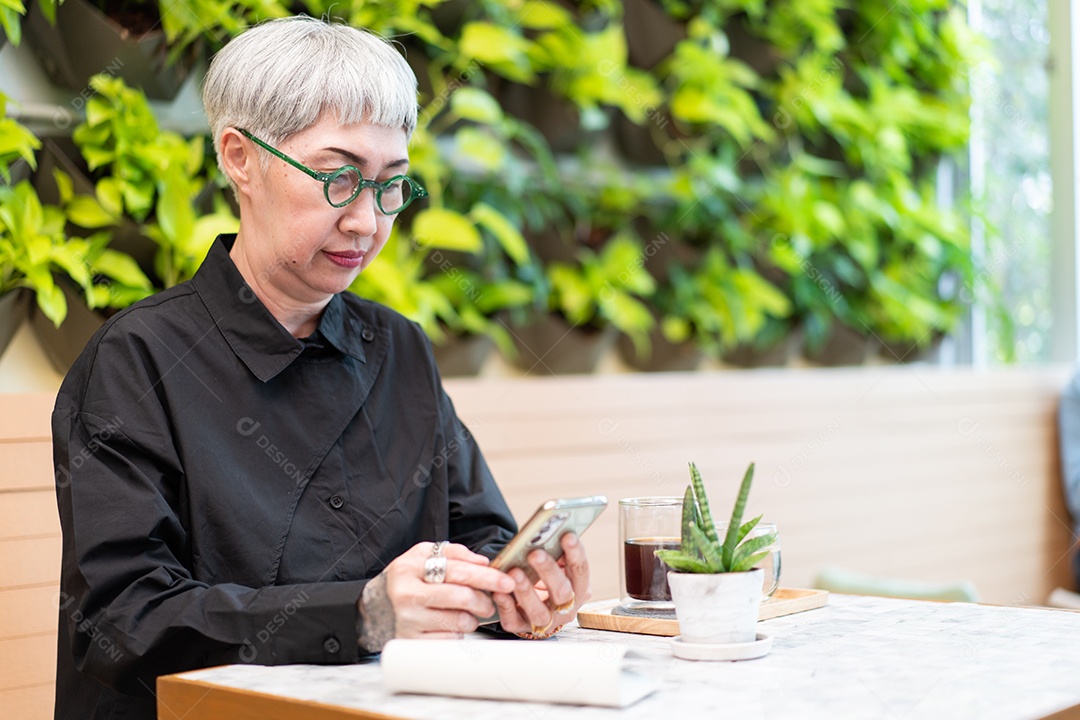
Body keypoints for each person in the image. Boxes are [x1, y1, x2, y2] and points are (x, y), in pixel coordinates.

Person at [51, 17, 591, 720]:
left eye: (391, 185)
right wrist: (362, 613)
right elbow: (124, 620)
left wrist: (511, 590)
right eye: (339, 178)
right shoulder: (137, 359)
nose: (367, 222)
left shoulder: (399, 348)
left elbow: (480, 534)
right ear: (240, 159)